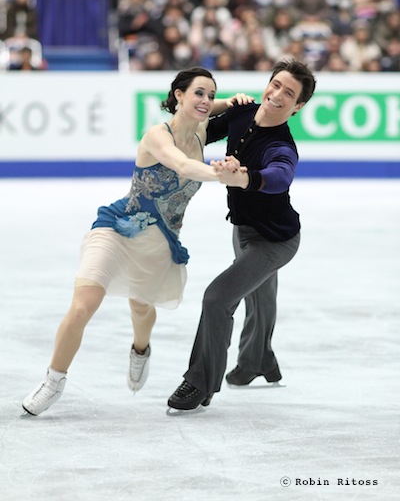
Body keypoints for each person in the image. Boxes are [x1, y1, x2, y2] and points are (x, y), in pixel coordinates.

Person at [22, 67, 253, 417]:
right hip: (118, 227)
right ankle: (53, 381)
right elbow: (182, 166)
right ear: (178, 95)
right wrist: (221, 175)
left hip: (160, 243)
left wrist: (232, 101)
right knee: (84, 304)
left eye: (211, 94)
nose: (206, 101)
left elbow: (213, 107)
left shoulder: (203, 130)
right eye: (198, 93)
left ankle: (140, 350)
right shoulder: (157, 136)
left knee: (141, 307)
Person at [167, 58, 317, 411]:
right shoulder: (242, 112)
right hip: (244, 229)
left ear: (298, 106)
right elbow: (199, 130)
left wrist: (244, 178)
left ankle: (199, 384)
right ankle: (258, 361)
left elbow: (280, 175)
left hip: (276, 240)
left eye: (289, 93)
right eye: (276, 84)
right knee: (260, 298)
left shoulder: (281, 145)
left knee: (218, 298)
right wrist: (215, 106)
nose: (278, 94)